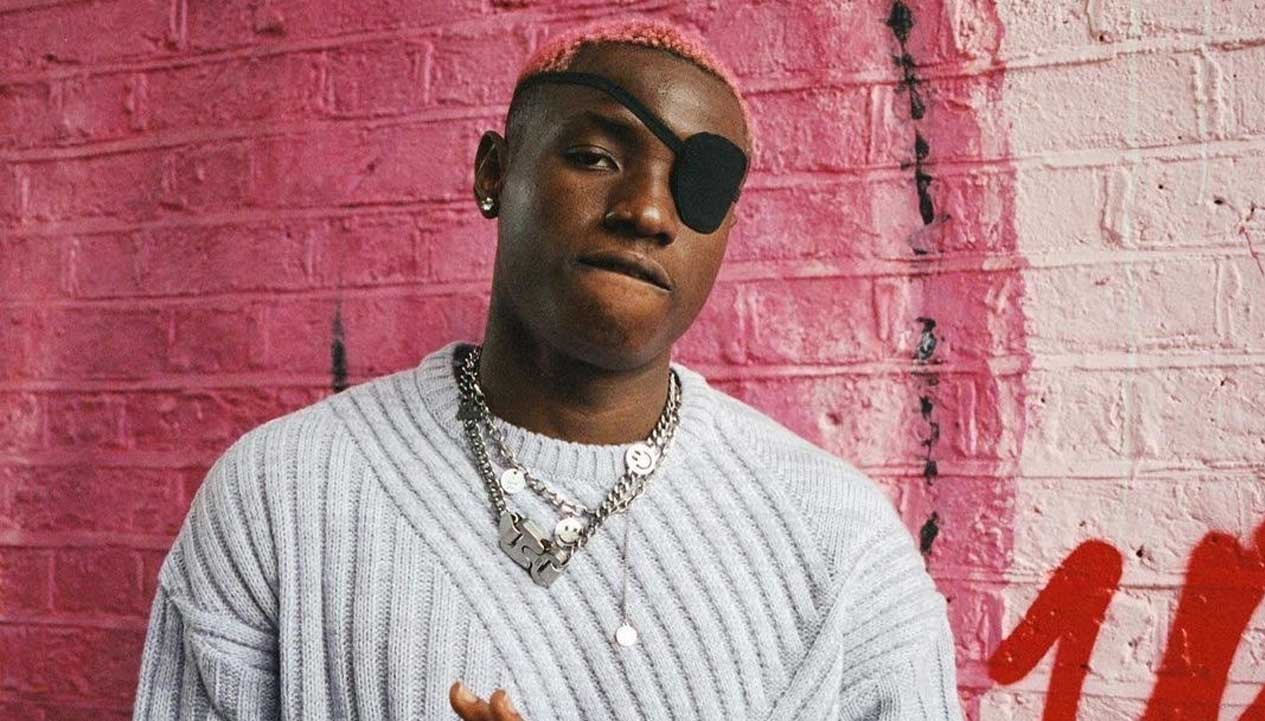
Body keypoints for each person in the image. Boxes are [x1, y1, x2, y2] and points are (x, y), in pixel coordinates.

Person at [131, 18, 963, 721]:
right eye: (597, 156)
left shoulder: (842, 548)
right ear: (494, 171)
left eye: (697, 187)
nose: (647, 210)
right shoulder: (280, 496)